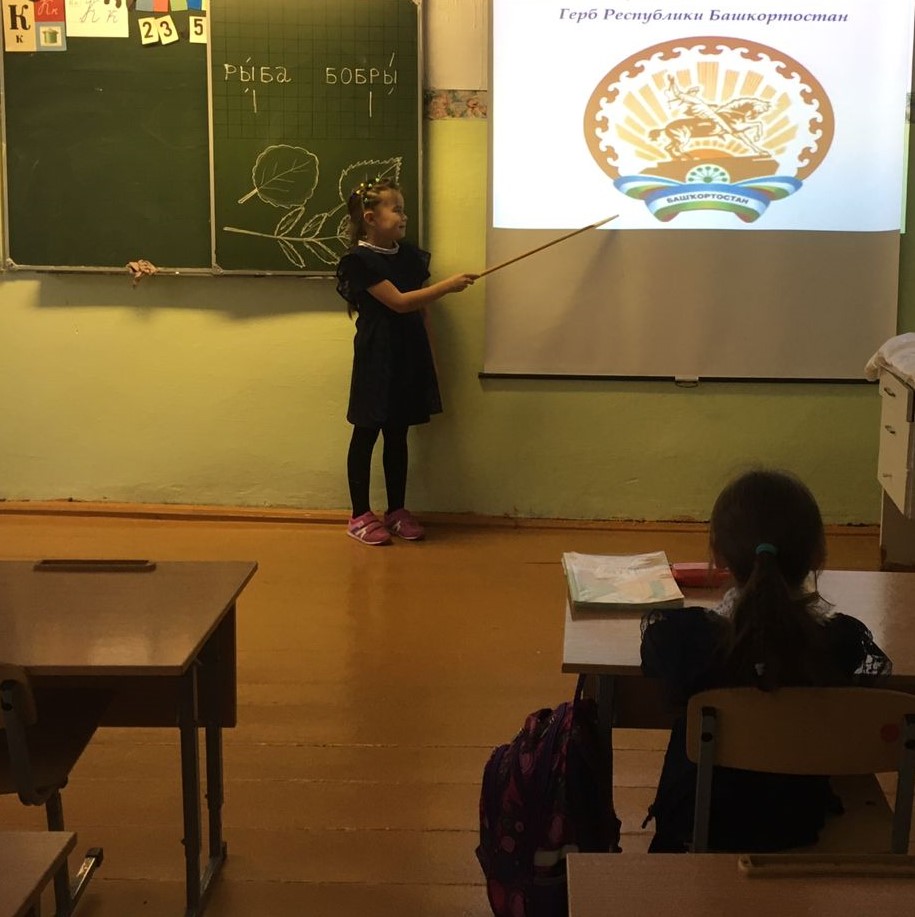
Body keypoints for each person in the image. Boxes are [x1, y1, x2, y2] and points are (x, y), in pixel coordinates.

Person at [640, 468, 892, 852]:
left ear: (717, 553)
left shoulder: (681, 641)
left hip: (694, 824)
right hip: (797, 820)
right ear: (818, 555)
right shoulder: (841, 644)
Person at [335, 177, 477, 545]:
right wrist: (449, 286)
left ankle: (396, 510)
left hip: (408, 353)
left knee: (398, 432)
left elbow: (421, 310)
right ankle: (359, 515)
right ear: (370, 218)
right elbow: (399, 302)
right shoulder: (358, 261)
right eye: (396, 209)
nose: (404, 216)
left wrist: (430, 356)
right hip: (377, 356)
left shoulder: (409, 256)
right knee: (367, 430)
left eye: (403, 209)